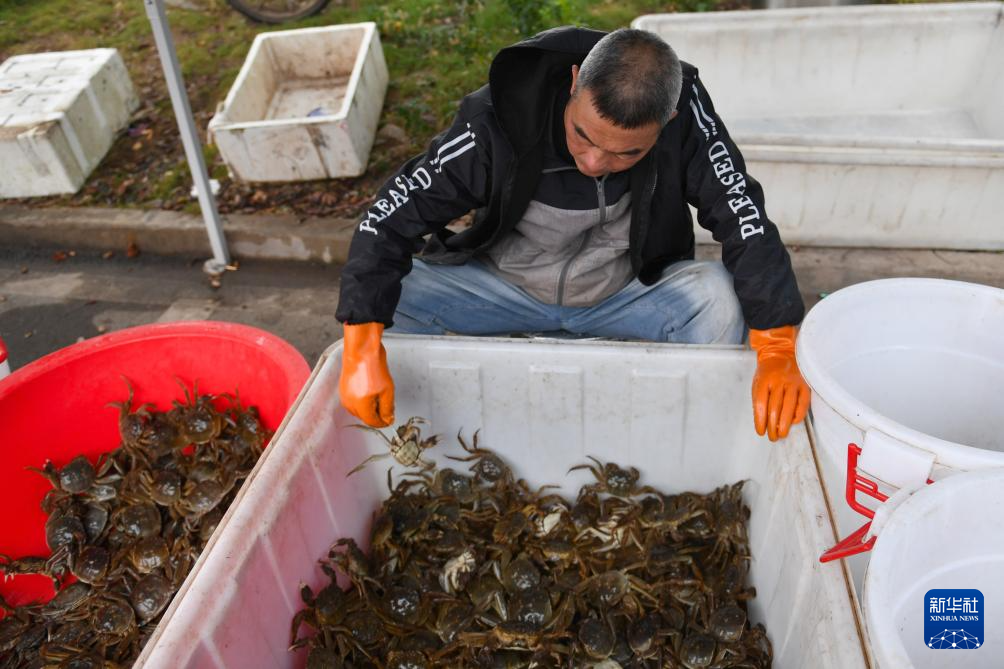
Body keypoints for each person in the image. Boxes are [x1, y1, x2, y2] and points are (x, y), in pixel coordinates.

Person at [335, 26, 810, 441]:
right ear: (574, 81)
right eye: (583, 135)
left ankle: (668, 431)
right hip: (502, 291)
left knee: (720, 299)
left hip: (622, 295)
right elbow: (389, 216)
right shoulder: (494, 117)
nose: (594, 162)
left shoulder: (685, 116)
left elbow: (742, 212)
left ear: (664, 123)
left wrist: (777, 345)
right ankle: (429, 425)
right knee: (390, 300)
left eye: (626, 154)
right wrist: (360, 345)